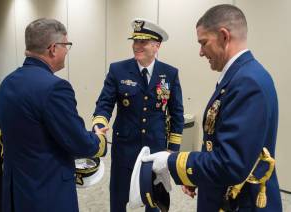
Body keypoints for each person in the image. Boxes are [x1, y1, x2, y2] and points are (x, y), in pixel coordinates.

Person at [143, 4, 282, 212]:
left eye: (203, 43)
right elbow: (216, 142)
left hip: (239, 203)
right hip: (222, 192)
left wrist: (171, 161)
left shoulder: (247, 82)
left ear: (224, 36)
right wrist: (195, 175)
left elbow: (231, 163)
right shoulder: (240, 75)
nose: (200, 52)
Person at [0, 18, 108, 212]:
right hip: (47, 194)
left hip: (15, 192)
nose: (67, 51)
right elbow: (78, 142)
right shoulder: (55, 88)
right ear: (53, 48)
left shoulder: (7, 83)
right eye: (66, 45)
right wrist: (99, 140)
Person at [92, 18, 184, 212]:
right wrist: (99, 122)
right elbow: (105, 102)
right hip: (125, 145)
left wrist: (172, 148)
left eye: (143, 42)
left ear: (156, 45)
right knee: (119, 196)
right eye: (135, 41)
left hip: (156, 147)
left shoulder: (170, 73)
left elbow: (176, 113)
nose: (136, 46)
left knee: (154, 197)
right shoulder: (118, 70)